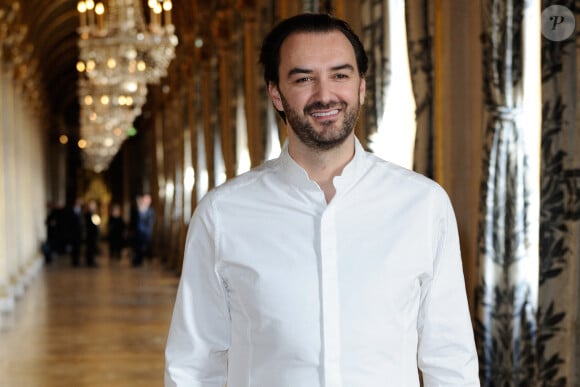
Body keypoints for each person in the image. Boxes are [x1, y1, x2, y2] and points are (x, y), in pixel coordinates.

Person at [165, 13, 479, 386]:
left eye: (340, 75)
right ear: (276, 94)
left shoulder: (424, 206)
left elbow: (449, 358)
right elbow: (194, 364)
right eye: (303, 79)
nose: (325, 94)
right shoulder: (222, 214)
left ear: (362, 87)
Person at [130, 194, 155, 267]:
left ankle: (142, 259)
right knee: (136, 247)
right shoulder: (136, 210)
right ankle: (136, 261)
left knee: (143, 248)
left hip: (145, 233)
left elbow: (150, 222)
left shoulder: (151, 211)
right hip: (137, 233)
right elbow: (133, 221)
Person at [84, 199, 100, 267]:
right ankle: (89, 262)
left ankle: (91, 260)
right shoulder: (87, 214)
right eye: (92, 205)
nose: (93, 206)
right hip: (89, 234)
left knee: (93, 248)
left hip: (93, 234)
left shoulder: (94, 213)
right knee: (90, 248)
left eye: (94, 205)